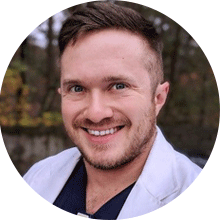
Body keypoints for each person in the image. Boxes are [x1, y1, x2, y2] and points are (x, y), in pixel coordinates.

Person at [23, 2, 202, 219]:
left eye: (119, 86)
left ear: (158, 98)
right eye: (77, 88)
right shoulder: (36, 178)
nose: (96, 113)